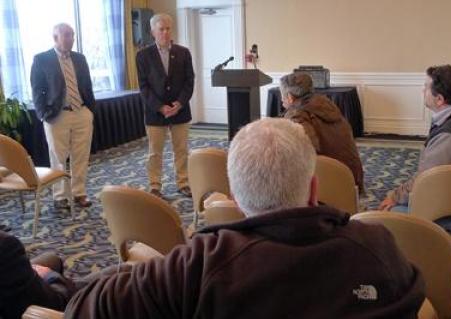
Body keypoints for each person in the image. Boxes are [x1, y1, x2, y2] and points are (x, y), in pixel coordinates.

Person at [65, 118, 424, 318]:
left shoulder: (196, 264)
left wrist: (115, 274)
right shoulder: (377, 247)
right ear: (313, 189)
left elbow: (84, 309)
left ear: (234, 199)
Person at [379, 65, 451, 211]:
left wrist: (395, 197)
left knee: (391, 215)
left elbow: (426, 180)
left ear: (439, 99)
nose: (422, 91)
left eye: (426, 87)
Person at [30, 23, 95, 208]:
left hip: (81, 112)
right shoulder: (42, 59)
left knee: (81, 156)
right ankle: (60, 197)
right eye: (66, 35)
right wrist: (43, 114)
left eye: (72, 35)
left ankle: (79, 193)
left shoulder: (80, 59)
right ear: (55, 38)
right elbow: (37, 90)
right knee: (58, 157)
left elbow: (87, 86)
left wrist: (90, 110)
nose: (70, 39)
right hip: (56, 115)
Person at [136, 13, 195, 198]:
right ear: (153, 32)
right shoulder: (143, 56)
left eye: (168, 28)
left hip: (180, 110)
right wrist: (160, 107)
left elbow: (189, 81)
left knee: (182, 150)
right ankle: (155, 185)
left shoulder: (183, 52)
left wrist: (180, 103)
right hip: (155, 112)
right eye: (161, 29)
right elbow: (143, 87)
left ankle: (183, 182)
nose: (165, 32)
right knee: (155, 153)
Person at [280, 72, 365, 193]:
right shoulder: (326, 104)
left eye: (282, 95)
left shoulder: (297, 115)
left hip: (330, 184)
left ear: (290, 97)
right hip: (353, 179)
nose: (281, 99)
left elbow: (308, 150)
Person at [0, 231, 76, 318]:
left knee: (52, 259)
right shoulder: (5, 244)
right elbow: (56, 304)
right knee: (91, 285)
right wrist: (49, 275)